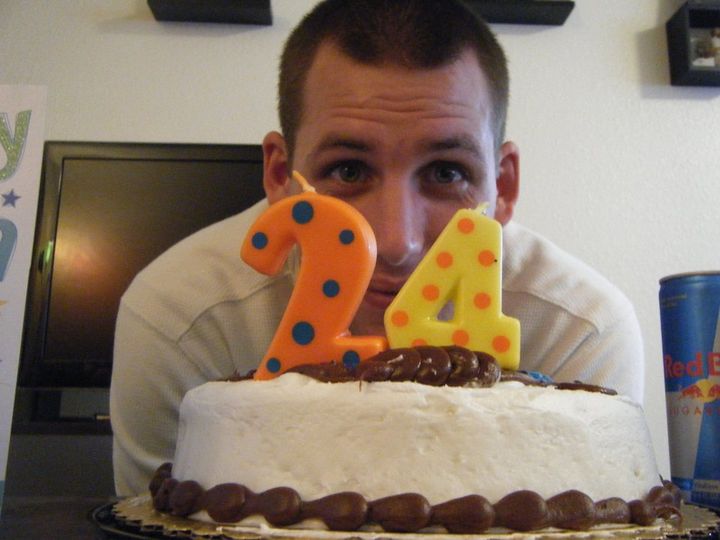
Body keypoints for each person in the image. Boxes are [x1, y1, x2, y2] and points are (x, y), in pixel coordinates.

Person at [110, 0, 643, 496]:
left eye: (446, 172)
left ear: (502, 186)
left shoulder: (578, 330)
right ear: (279, 175)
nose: (395, 242)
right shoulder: (181, 317)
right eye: (348, 170)